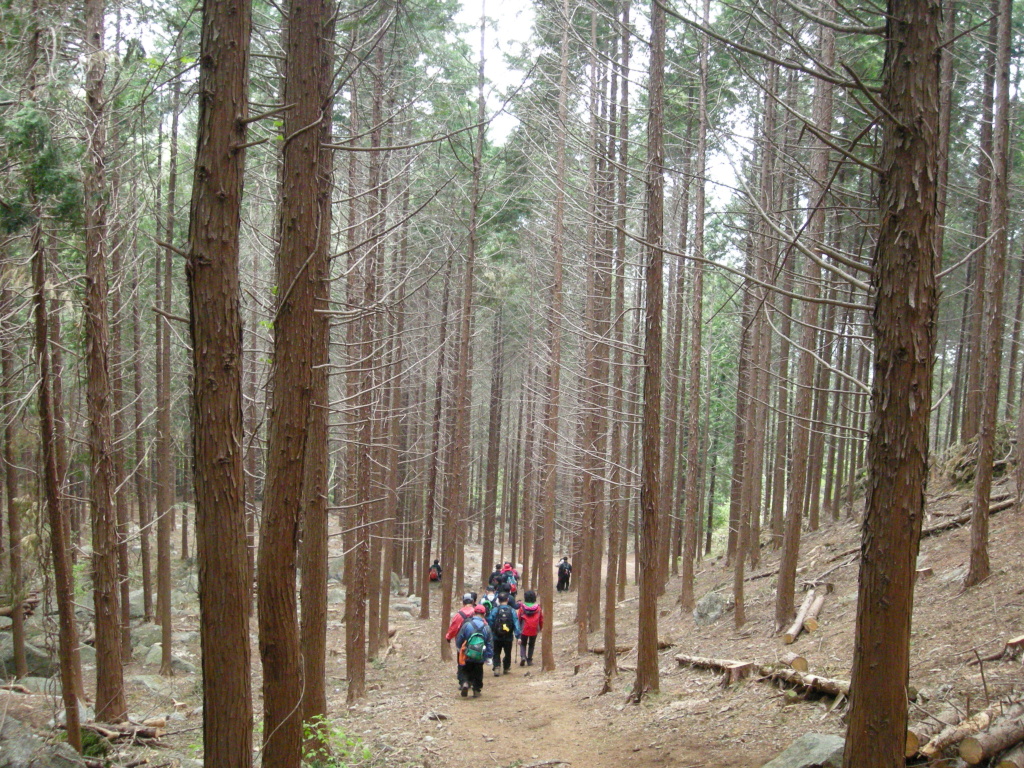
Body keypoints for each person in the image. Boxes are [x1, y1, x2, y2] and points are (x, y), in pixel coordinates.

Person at [455, 604, 493, 698]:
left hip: (467, 652)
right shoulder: (486, 627)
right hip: (480, 653)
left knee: (465, 669)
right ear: (484, 614)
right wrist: (489, 655)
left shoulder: (467, 625)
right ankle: (476, 690)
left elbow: (460, 638)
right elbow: (489, 643)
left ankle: (465, 683)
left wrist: (459, 647)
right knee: (478, 671)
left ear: (474, 613)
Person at [446, 594, 478, 692]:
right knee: (474, 662)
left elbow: (453, 628)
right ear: (472, 602)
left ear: (463, 602)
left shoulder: (459, 614)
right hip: (475, 642)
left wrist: (448, 637)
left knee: (461, 662)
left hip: (462, 643)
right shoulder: (477, 613)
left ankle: (463, 682)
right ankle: (472, 681)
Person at [488, 591, 520, 676]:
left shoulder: (495, 610)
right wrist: (518, 635)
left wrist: (491, 632)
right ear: (508, 599)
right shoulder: (512, 610)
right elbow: (516, 622)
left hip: (496, 636)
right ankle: (506, 667)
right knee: (508, 652)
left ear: (498, 600)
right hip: (508, 636)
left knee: (496, 652)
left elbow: (490, 621)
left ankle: (497, 667)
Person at [517, 589, 543, 667]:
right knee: (532, 644)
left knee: (523, 644)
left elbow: (518, 618)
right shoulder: (538, 608)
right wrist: (541, 628)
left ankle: (523, 657)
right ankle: (530, 660)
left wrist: (518, 628)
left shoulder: (522, 608)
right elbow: (541, 619)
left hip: (524, 629)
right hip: (534, 629)